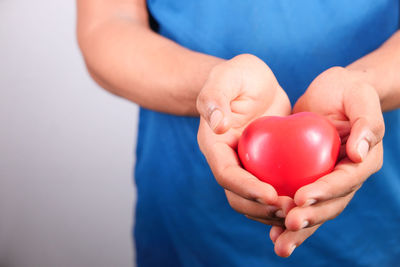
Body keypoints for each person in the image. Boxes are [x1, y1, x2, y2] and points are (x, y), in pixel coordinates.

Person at [77, 0, 400, 266]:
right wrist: (215, 89)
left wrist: (367, 87)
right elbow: (106, 25)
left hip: (380, 219)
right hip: (188, 220)